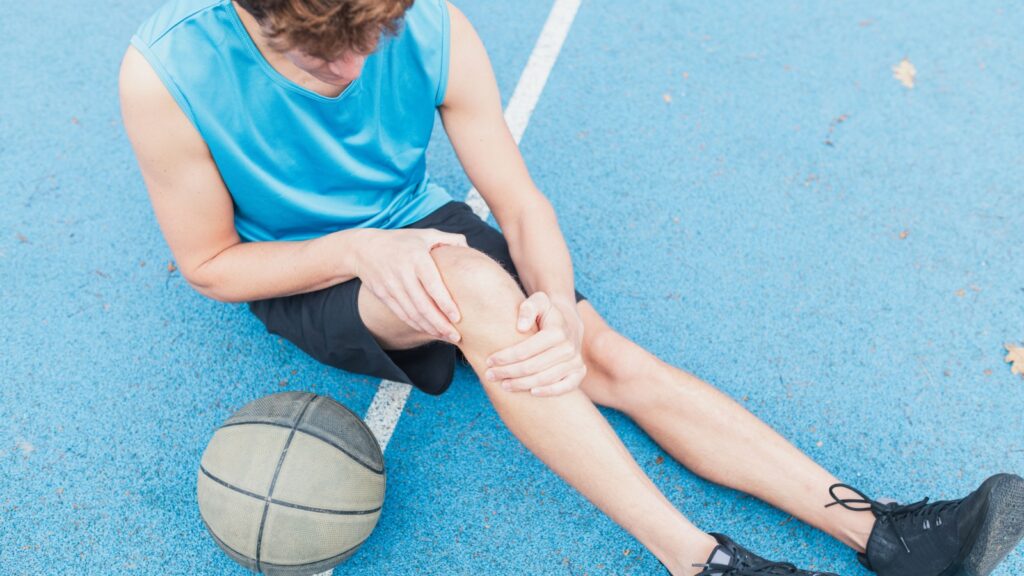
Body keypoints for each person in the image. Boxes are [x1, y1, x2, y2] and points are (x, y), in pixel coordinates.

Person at [118, 1, 1024, 574]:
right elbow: (212, 265)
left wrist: (552, 297)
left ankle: (890, 535)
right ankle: (699, 562)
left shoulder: (429, 22)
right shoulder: (168, 70)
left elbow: (516, 196)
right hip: (309, 271)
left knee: (597, 349)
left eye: (368, 40)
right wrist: (359, 250)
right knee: (469, 279)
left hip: (415, 227)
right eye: (322, 60)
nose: (351, 69)